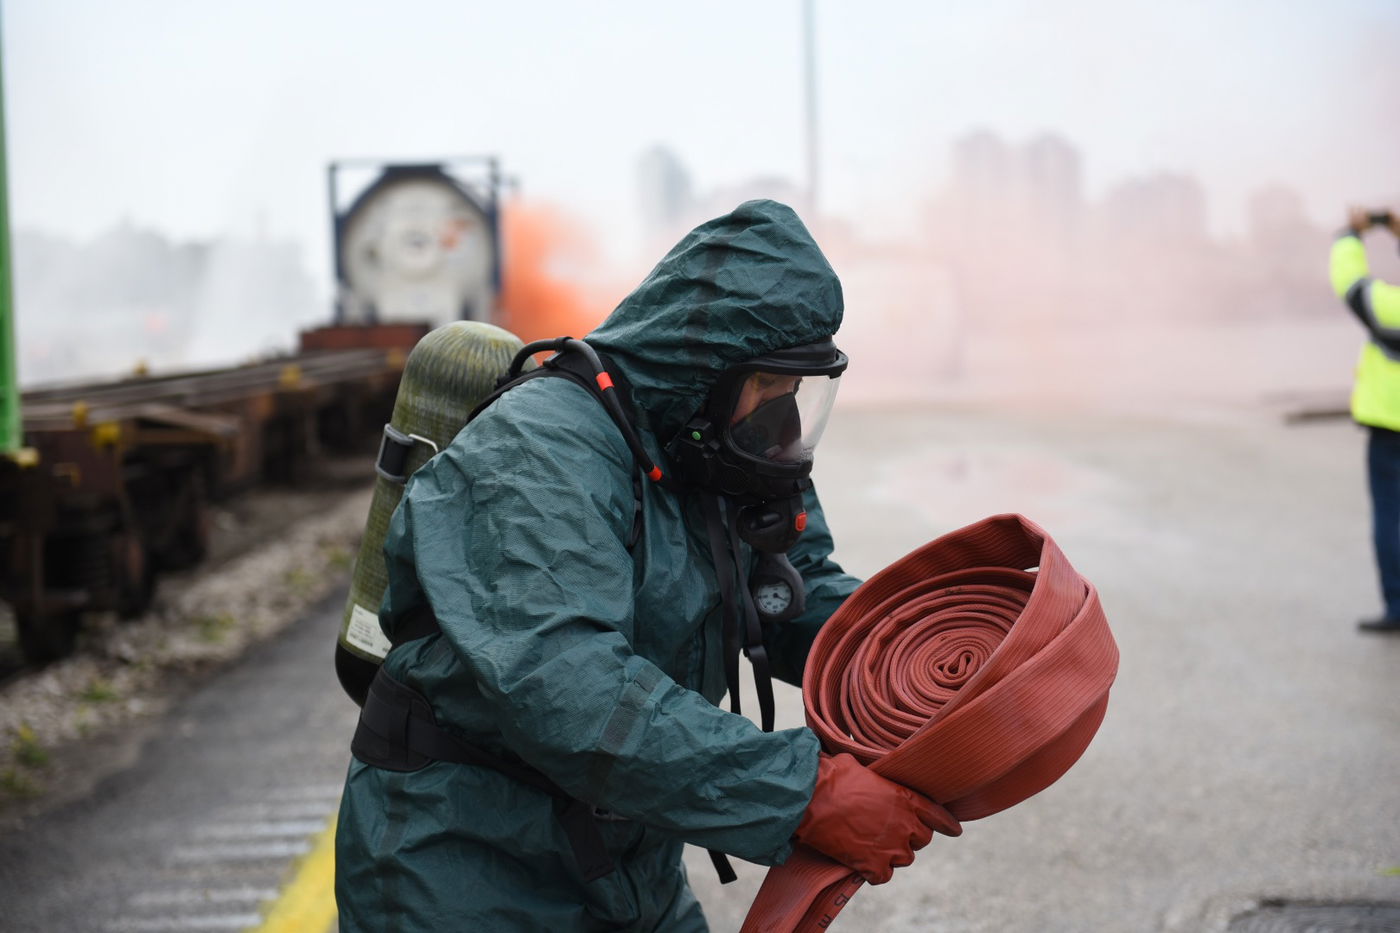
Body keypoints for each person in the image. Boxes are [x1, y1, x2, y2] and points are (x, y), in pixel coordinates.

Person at [334, 199, 960, 932]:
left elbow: (794, 586)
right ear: (706, 370)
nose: (785, 413)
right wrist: (808, 795)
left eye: (802, 389)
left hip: (625, 858)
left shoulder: (726, 443)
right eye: (773, 385)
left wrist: (920, 656)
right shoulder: (539, 450)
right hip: (463, 865)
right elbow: (573, 689)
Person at [1331, 206, 1400, 633]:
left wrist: (1351, 234)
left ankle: (1398, 606)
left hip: (1389, 427)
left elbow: (1351, 283)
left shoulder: (1389, 305)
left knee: (1391, 517)